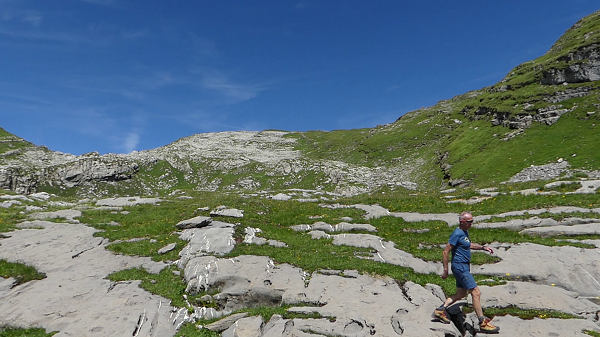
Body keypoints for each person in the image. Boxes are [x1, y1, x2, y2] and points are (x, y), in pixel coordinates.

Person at [432, 211, 500, 334]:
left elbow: (468, 244)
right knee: (476, 292)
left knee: (461, 294)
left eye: (472, 221)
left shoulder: (464, 232)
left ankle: (440, 310)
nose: (471, 224)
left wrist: (483, 247)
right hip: (460, 267)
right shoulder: (457, 233)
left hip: (463, 267)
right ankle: (482, 322)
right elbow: (445, 251)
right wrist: (446, 270)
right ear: (462, 221)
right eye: (469, 222)